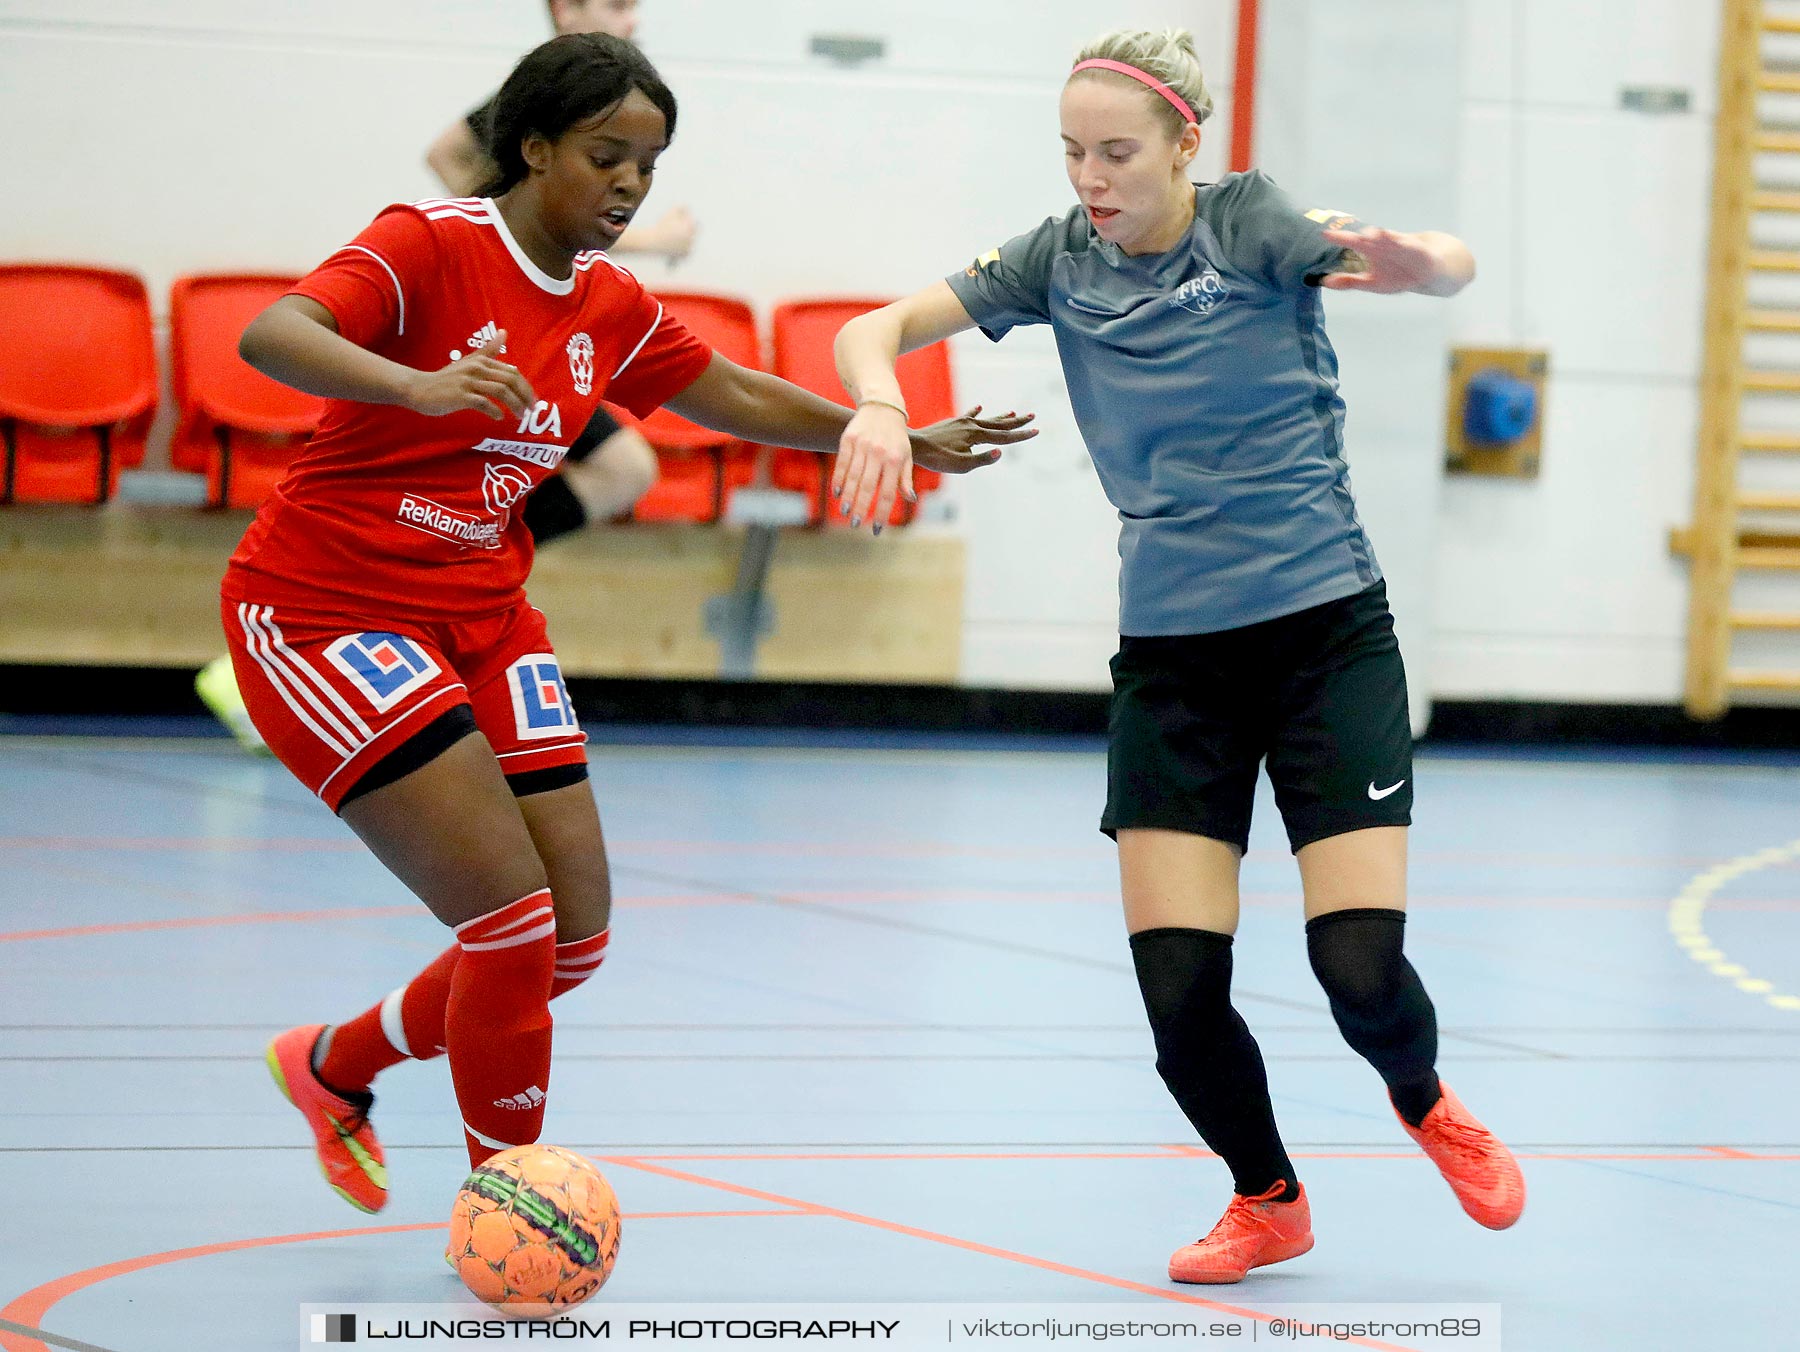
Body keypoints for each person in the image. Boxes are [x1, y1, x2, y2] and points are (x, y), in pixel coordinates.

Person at [234, 32, 1034, 1211]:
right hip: (324, 608)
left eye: (648, 167)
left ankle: (331, 1065)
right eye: (607, 155)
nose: (628, 185)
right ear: (534, 145)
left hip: (483, 615)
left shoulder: (610, 302)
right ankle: (508, 1203)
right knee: (508, 922)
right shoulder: (428, 242)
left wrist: (892, 435)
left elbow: (736, 392)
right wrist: (418, 384)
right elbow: (274, 335)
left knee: (572, 940)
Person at [831, 27, 1522, 1285]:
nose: (1092, 177)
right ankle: (1268, 1199)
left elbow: (1443, 264)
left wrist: (1425, 262)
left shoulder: (1249, 226)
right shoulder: (1057, 259)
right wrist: (882, 399)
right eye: (1073, 153)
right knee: (1179, 997)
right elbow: (872, 328)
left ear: (1183, 147)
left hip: (1324, 638)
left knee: (1354, 962)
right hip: (1173, 661)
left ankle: (1424, 1098)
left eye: (1118, 153)